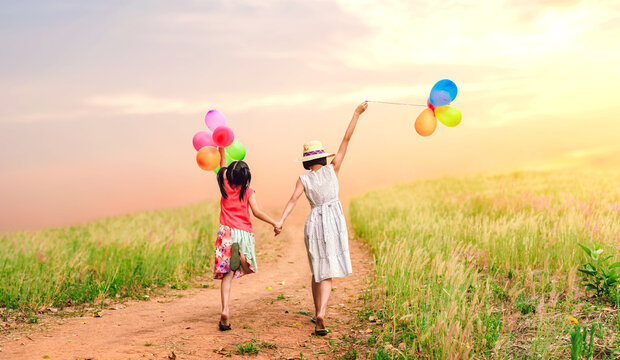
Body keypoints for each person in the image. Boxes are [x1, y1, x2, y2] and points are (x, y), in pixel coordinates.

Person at [277, 102, 368, 335]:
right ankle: (321, 313)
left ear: (306, 161)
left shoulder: (303, 179)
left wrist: (280, 222)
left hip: (314, 222)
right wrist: (356, 114)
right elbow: (346, 140)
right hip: (333, 220)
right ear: (323, 157)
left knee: (317, 269)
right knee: (327, 272)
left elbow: (292, 201)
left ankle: (317, 310)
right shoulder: (333, 168)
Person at [214, 147, 281, 331]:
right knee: (248, 268)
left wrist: (222, 148)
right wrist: (274, 222)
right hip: (242, 233)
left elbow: (222, 165)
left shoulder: (224, 184)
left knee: (227, 276)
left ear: (230, 175)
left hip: (226, 233)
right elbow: (257, 212)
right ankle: (242, 256)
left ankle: (225, 311)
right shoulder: (249, 191)